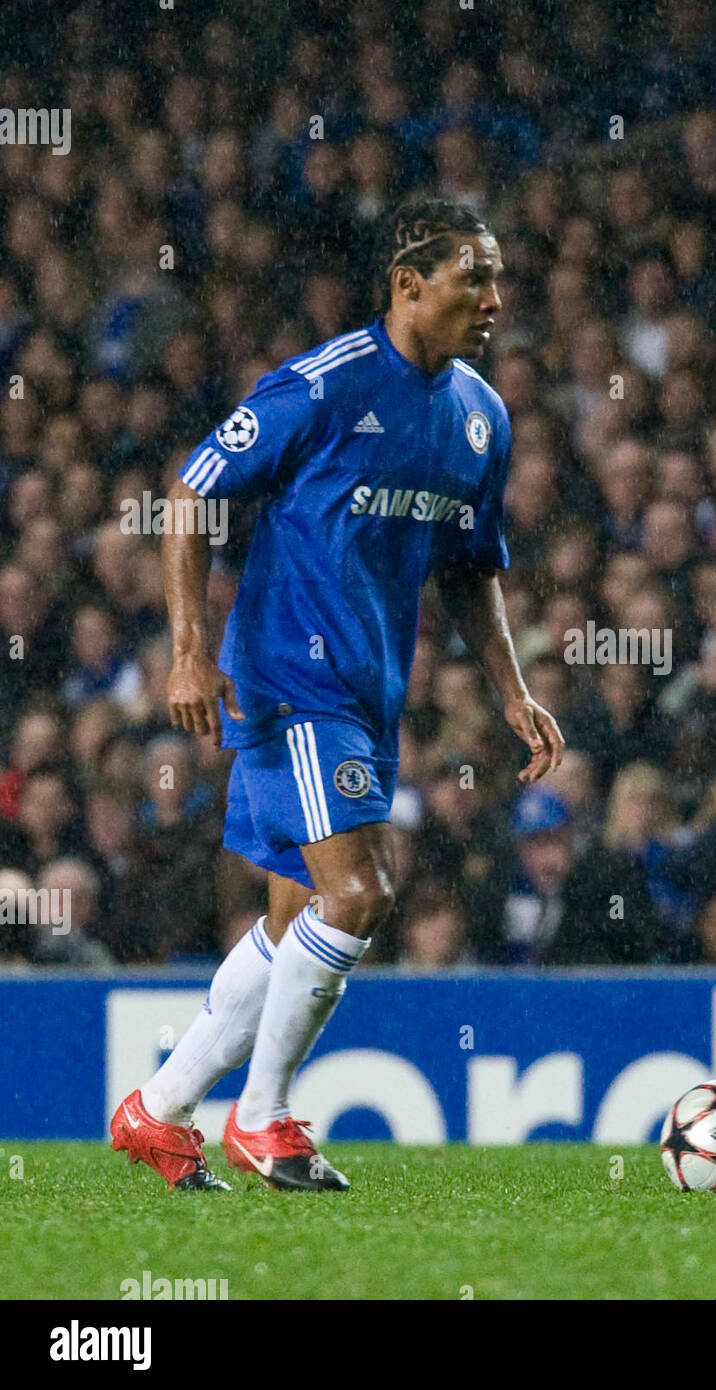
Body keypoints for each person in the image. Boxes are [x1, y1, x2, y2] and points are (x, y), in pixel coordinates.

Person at [110, 198, 565, 1193]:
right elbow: (192, 490)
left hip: (372, 690)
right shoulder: (322, 386)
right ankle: (262, 1120)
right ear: (409, 284)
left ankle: (156, 1108)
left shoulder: (482, 417)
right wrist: (188, 651)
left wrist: (512, 690)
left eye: (496, 278)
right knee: (361, 892)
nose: (494, 298)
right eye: (472, 277)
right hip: (290, 678)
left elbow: (471, 566)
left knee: (293, 922)